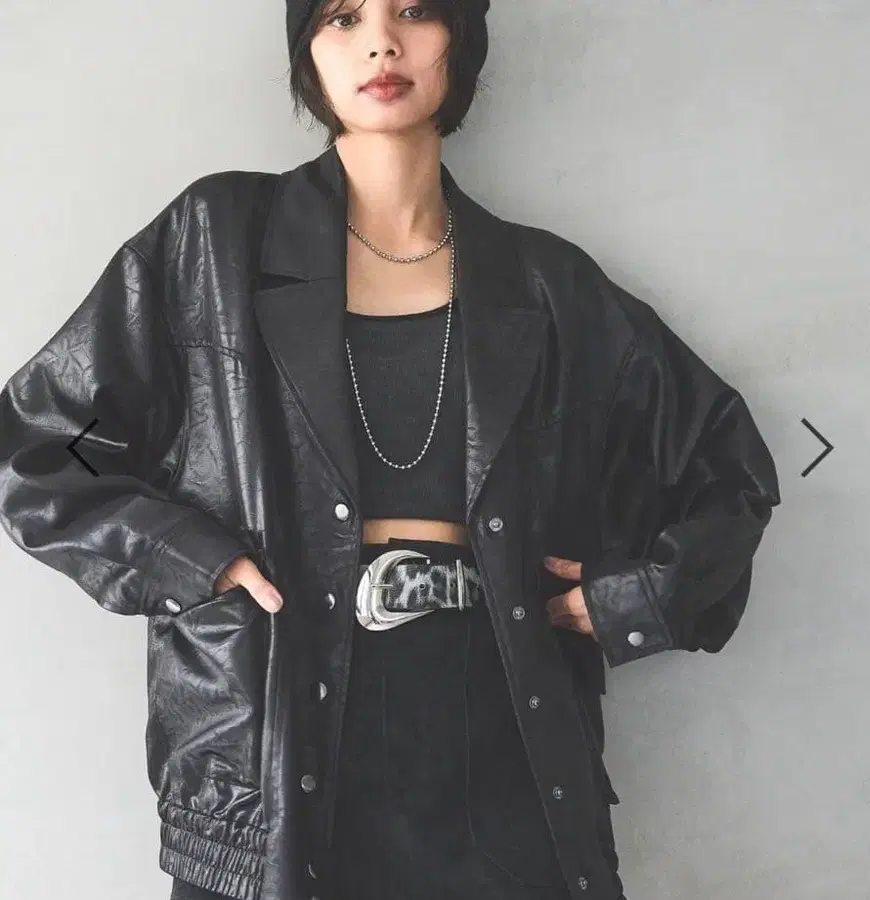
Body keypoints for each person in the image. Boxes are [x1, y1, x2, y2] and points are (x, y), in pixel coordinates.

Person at [0, 1, 781, 899]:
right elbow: (52, 444)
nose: (380, 40)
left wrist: (631, 600)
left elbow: (725, 466)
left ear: (459, 38)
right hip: (274, 741)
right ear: (308, 50)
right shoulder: (214, 243)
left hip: (502, 747)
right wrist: (189, 559)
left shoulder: (546, 285)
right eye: (341, 17)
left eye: (414, 10)